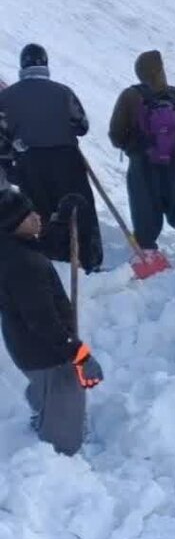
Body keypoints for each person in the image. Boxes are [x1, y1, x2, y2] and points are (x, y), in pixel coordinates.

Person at [0, 185, 104, 456]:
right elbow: (42, 322)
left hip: (27, 346)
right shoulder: (24, 265)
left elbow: (41, 239)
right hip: (46, 354)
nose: (37, 217)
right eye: (28, 216)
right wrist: (79, 355)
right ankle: (54, 459)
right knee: (65, 443)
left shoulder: (12, 245)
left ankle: (46, 401)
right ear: (12, 225)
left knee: (55, 390)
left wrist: (62, 216)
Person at [0, 44, 103, 271]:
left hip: (29, 162)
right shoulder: (62, 92)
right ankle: (88, 260)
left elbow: (1, 138)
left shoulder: (6, 97)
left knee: (42, 212)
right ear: (45, 64)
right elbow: (81, 126)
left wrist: (11, 168)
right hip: (67, 159)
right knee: (78, 206)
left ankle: (53, 262)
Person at [108, 50, 175, 256]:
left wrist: (131, 146)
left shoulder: (130, 96)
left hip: (143, 164)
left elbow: (116, 134)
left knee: (144, 210)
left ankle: (146, 253)